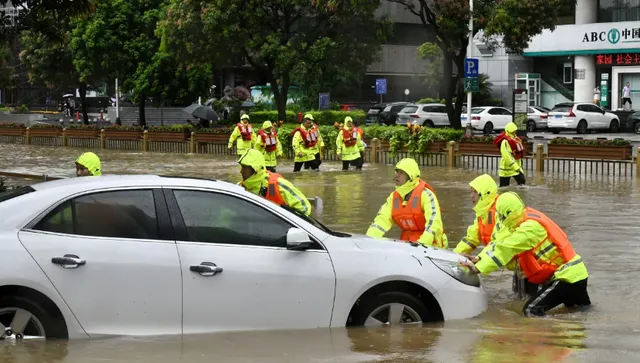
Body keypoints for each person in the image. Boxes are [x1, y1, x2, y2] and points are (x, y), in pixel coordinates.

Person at [460, 192, 591, 317]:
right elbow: (498, 243)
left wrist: (479, 268)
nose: (499, 218)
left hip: (567, 277)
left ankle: (548, 337)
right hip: (577, 274)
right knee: (581, 313)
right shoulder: (520, 220)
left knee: (531, 310)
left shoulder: (529, 229)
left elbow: (506, 249)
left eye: (500, 215)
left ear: (506, 214)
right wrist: (479, 258)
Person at [366, 158, 448, 248]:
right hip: (408, 245)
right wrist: (369, 239)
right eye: (397, 171)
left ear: (411, 176)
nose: (397, 175)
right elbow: (381, 220)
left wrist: (422, 244)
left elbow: (434, 223)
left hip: (432, 246)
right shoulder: (393, 197)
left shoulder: (426, 195)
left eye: (401, 172)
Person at [238, 149, 311, 216]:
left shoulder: (279, 185)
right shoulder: (239, 188)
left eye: (244, 167)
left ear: (255, 168)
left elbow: (304, 207)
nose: (241, 171)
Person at [452, 174, 499, 255]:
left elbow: (499, 245)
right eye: (471, 191)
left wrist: (479, 260)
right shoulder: (482, 214)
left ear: (484, 194)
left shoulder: (499, 212)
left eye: (475, 192)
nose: (471, 196)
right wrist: (454, 255)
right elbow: (471, 239)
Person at [494, 122, 525, 187]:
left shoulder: (516, 139)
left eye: (515, 131)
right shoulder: (505, 142)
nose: (514, 132)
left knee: (522, 182)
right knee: (504, 187)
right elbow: (507, 156)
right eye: (513, 131)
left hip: (516, 167)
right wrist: (515, 166)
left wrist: (518, 165)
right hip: (506, 168)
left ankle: (518, 196)